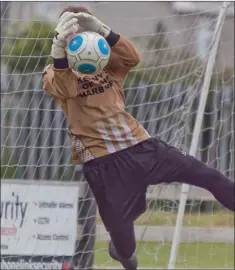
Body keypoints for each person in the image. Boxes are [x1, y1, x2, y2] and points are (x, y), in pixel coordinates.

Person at [42, 6, 235, 270]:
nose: (77, 37)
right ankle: (122, 251)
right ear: (61, 36)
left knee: (208, 176)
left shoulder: (107, 64)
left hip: (143, 147)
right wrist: (58, 52)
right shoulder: (54, 72)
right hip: (106, 166)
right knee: (126, 249)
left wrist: (101, 29)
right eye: (69, 32)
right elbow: (65, 87)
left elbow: (132, 57)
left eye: (80, 30)